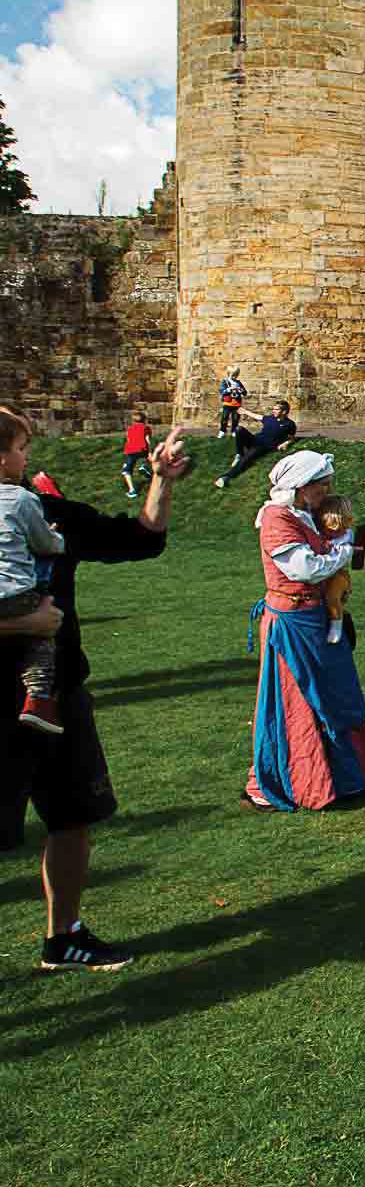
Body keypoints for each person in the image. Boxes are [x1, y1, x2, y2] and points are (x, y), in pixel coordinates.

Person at [1, 407, 188, 972]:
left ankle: (66, 936)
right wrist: (21, 626)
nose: (28, 458)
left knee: (71, 815)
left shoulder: (45, 510)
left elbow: (140, 538)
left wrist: (160, 478)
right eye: (21, 448)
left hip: (60, 693)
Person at [245, 450, 365, 811]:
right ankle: (287, 780)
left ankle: (343, 777)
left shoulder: (302, 515)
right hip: (292, 623)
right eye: (322, 485)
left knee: (336, 695)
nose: (327, 491)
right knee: (298, 700)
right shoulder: (276, 519)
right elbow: (303, 569)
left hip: (317, 618)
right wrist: (345, 552)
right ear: (302, 487)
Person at [0, 437, 64, 734]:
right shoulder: (22, 499)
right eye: (21, 448)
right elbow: (46, 543)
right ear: (2, 458)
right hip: (15, 595)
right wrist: (56, 537)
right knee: (42, 636)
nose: (27, 455)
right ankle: (38, 699)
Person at [213, 398, 297, 488]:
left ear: (284, 411)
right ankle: (239, 454)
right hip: (255, 439)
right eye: (273, 409)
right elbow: (257, 416)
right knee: (239, 429)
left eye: (276, 409)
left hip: (264, 446)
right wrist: (245, 411)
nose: (273, 411)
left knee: (246, 459)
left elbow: (292, 438)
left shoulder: (290, 424)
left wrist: (286, 443)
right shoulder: (270, 418)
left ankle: (226, 477)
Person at [120, 408, 151, 498]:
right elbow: (148, 441)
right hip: (142, 450)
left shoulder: (130, 429)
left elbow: (129, 440)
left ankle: (132, 491)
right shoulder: (146, 428)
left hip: (131, 451)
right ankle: (144, 466)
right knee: (148, 457)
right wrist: (150, 452)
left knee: (126, 471)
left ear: (133, 421)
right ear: (145, 420)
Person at [218, 366, 248, 438]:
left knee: (235, 419)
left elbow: (245, 393)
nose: (234, 377)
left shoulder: (238, 383)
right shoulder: (225, 381)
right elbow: (221, 391)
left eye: (236, 375)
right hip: (227, 403)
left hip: (237, 404)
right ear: (229, 374)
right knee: (224, 418)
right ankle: (222, 431)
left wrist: (240, 390)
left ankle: (234, 431)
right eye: (233, 375)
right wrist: (229, 389)